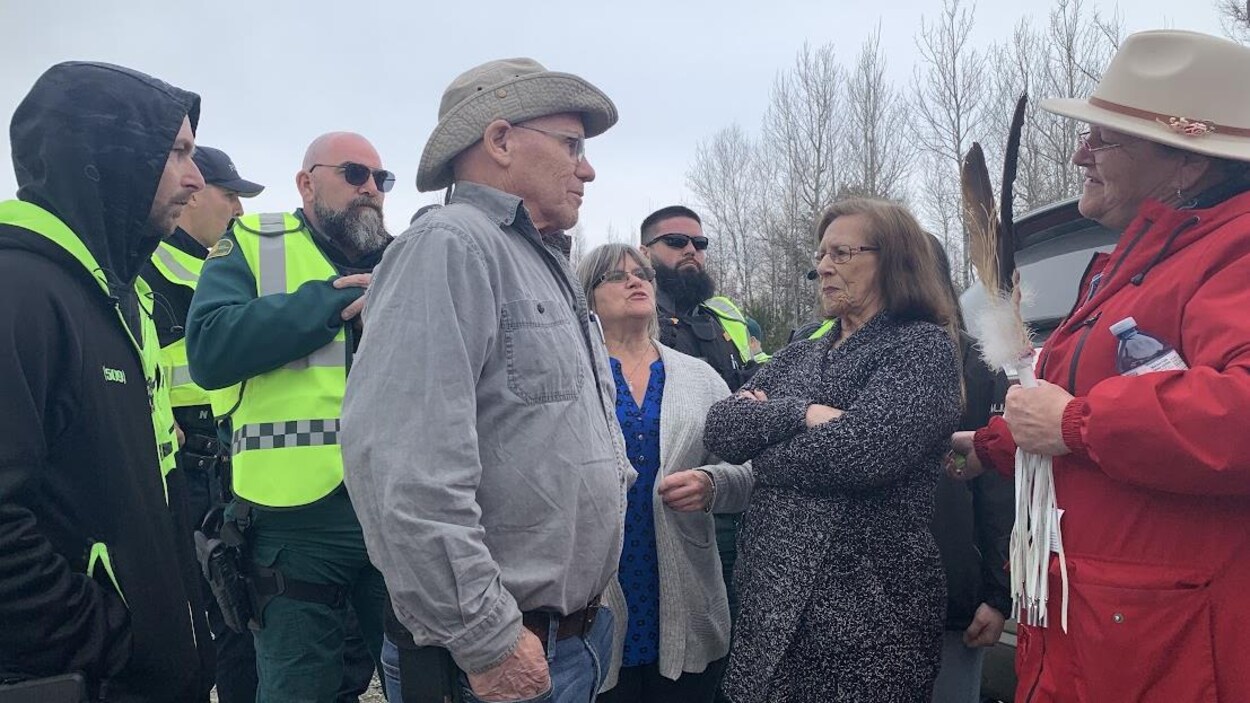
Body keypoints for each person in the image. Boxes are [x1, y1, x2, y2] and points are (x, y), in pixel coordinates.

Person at [950, 30, 1250, 702]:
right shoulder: (1133, 264)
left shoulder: (1236, 248)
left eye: (1104, 139)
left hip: (1169, 646)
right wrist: (993, 445)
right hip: (1104, 628)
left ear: (1188, 163)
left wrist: (1079, 424)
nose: (1082, 153)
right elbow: (1065, 402)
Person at [342, 57, 629, 703]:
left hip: (568, 640)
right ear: (499, 141)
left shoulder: (539, 261)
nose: (587, 168)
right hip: (491, 660)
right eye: (571, 145)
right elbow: (403, 470)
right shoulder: (450, 246)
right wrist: (486, 639)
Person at [0, 61, 211, 701]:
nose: (196, 179)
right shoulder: (21, 291)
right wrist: (119, 641)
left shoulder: (112, 296)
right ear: (102, 155)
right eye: (176, 152)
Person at [703, 198, 962, 702]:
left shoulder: (921, 348)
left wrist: (764, 456)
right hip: (770, 606)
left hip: (868, 617)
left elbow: (862, 451)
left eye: (842, 253)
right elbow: (721, 428)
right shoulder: (801, 354)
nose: (823, 267)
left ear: (893, 260)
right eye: (821, 254)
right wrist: (799, 414)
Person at [185, 131, 393, 703]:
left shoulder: (407, 255)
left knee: (427, 682)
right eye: (354, 175)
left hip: (400, 509)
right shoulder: (252, 243)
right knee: (297, 688)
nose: (371, 189)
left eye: (382, 180)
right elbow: (208, 349)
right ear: (307, 182)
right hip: (293, 523)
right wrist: (328, 302)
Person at [574, 243, 753, 703]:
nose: (636, 281)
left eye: (643, 273)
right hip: (591, 593)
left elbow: (748, 469)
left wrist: (713, 484)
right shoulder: (568, 373)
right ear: (588, 296)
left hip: (684, 587)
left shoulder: (699, 377)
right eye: (617, 276)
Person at [140, 144, 264, 703]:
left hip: (230, 469)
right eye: (230, 195)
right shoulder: (146, 276)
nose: (239, 211)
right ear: (192, 195)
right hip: (180, 475)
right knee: (198, 623)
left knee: (239, 621)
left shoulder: (233, 274)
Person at [924, 236, 1012, 703]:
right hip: (853, 604)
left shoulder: (975, 363)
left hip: (952, 604)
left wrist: (999, 595)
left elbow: (999, 486)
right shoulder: (831, 353)